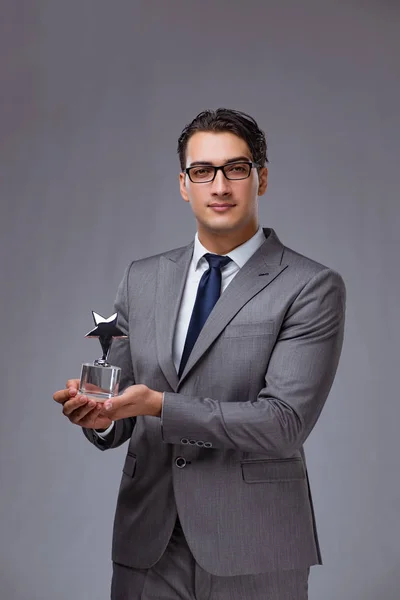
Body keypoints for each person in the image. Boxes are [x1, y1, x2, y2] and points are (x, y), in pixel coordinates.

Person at [53, 108, 346, 600]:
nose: (220, 185)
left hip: (254, 543)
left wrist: (159, 406)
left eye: (236, 168)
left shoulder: (310, 286)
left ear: (262, 178)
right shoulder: (141, 279)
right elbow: (122, 407)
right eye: (202, 171)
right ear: (184, 185)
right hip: (149, 540)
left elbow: (284, 424)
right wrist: (100, 417)